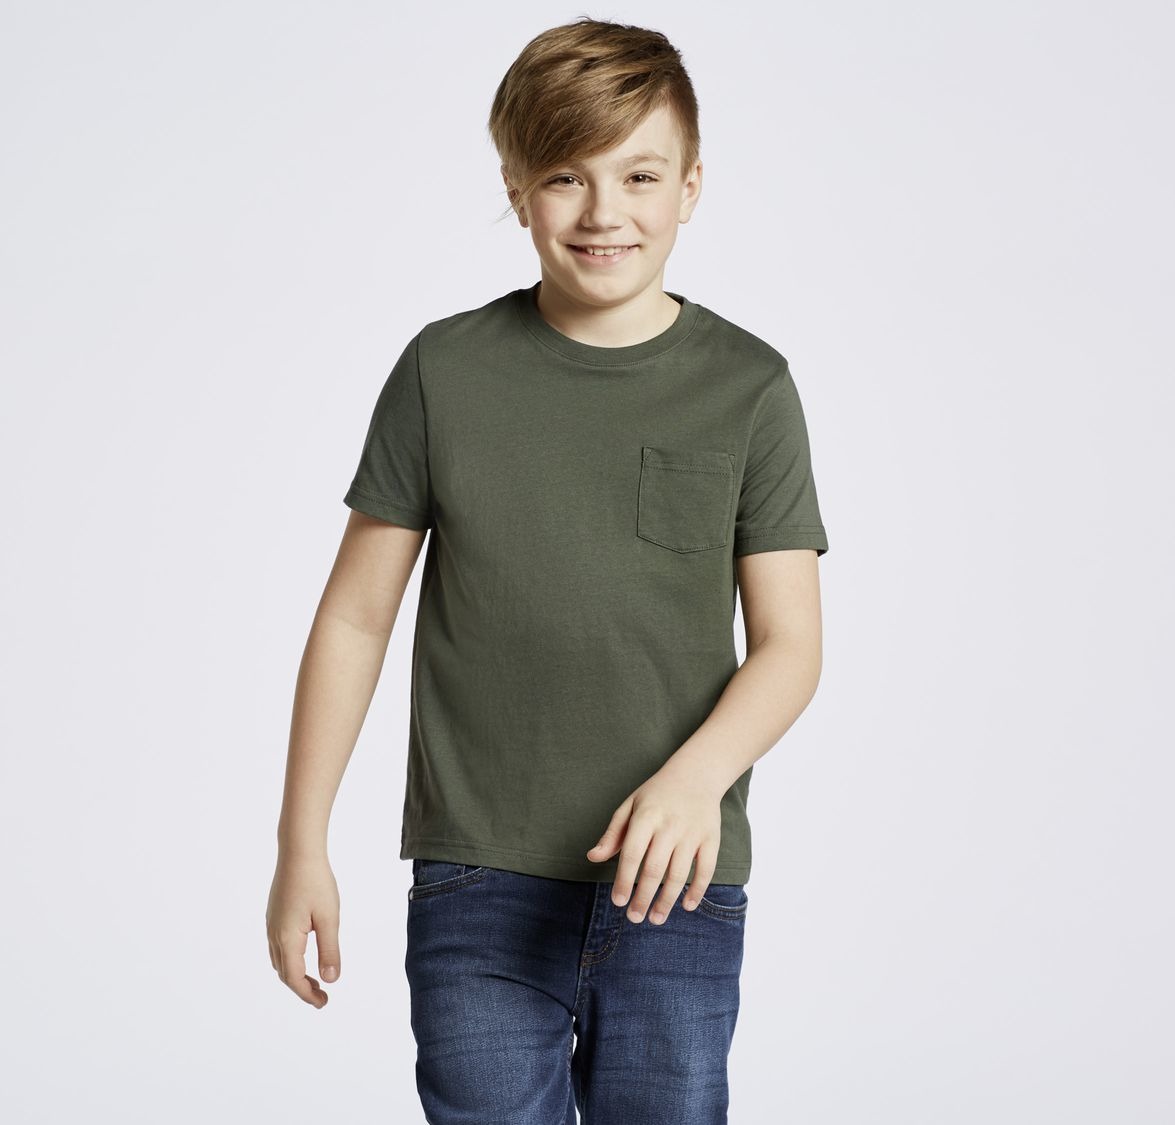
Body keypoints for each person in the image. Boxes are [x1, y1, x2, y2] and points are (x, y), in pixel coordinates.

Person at [266, 17, 828, 1124]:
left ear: (692, 185)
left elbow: (791, 645)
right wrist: (301, 844)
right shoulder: (443, 371)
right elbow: (355, 621)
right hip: (477, 875)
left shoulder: (750, 387)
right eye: (567, 176)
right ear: (517, 189)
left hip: (677, 879)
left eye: (640, 175)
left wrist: (694, 779)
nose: (605, 211)